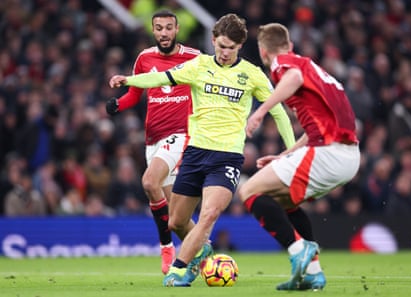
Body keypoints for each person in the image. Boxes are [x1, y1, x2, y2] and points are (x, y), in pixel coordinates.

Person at [109, 13, 296, 287]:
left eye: (231, 48)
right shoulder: (198, 66)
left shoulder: (253, 75)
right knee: (175, 221)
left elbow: (279, 113)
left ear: (240, 46)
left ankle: (180, 269)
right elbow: (161, 78)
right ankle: (201, 251)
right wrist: (128, 81)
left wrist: (291, 151)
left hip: (227, 157)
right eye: (221, 46)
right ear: (213, 41)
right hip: (195, 154)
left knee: (208, 214)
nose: (224, 52)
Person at [238, 23, 360, 291]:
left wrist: (261, 111)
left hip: (328, 152)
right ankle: (313, 274)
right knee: (280, 200)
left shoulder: (285, 63)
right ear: (290, 44)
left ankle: (297, 249)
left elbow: (291, 78)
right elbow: (316, 127)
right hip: (346, 156)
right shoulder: (315, 69)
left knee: (249, 190)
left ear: (263, 50)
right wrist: (284, 156)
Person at [105, 10, 200, 274]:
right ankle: (205, 253)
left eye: (169, 28)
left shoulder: (194, 58)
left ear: (177, 29)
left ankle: (166, 249)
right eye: (159, 28)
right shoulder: (145, 58)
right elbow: (135, 94)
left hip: (182, 134)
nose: (164, 33)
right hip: (153, 140)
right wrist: (118, 104)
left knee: (149, 181)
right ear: (153, 30)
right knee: (177, 218)